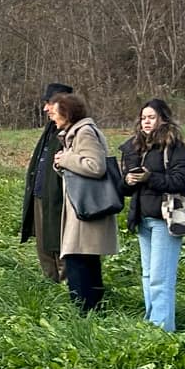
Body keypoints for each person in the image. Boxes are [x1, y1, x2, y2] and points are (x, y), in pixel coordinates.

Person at [119, 98, 185, 331]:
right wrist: (128, 180)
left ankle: (162, 329)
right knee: (148, 276)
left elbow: (181, 180)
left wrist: (149, 177)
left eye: (151, 117)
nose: (146, 122)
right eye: (143, 118)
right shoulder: (135, 147)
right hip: (142, 219)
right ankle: (152, 322)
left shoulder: (175, 148)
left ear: (163, 118)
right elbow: (124, 189)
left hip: (166, 220)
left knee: (160, 278)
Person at [49, 91, 118, 311]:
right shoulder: (73, 133)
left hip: (87, 210)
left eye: (55, 111)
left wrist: (66, 158)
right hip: (80, 209)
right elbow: (78, 172)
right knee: (83, 262)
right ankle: (90, 312)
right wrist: (61, 163)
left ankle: (85, 313)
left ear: (67, 113)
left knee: (79, 262)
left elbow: (95, 167)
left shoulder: (84, 133)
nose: (51, 115)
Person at [18, 82, 73, 283]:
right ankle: (50, 289)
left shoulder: (73, 131)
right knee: (44, 247)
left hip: (60, 200)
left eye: (49, 103)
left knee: (59, 246)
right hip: (41, 196)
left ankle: (65, 293)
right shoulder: (51, 128)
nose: (45, 108)